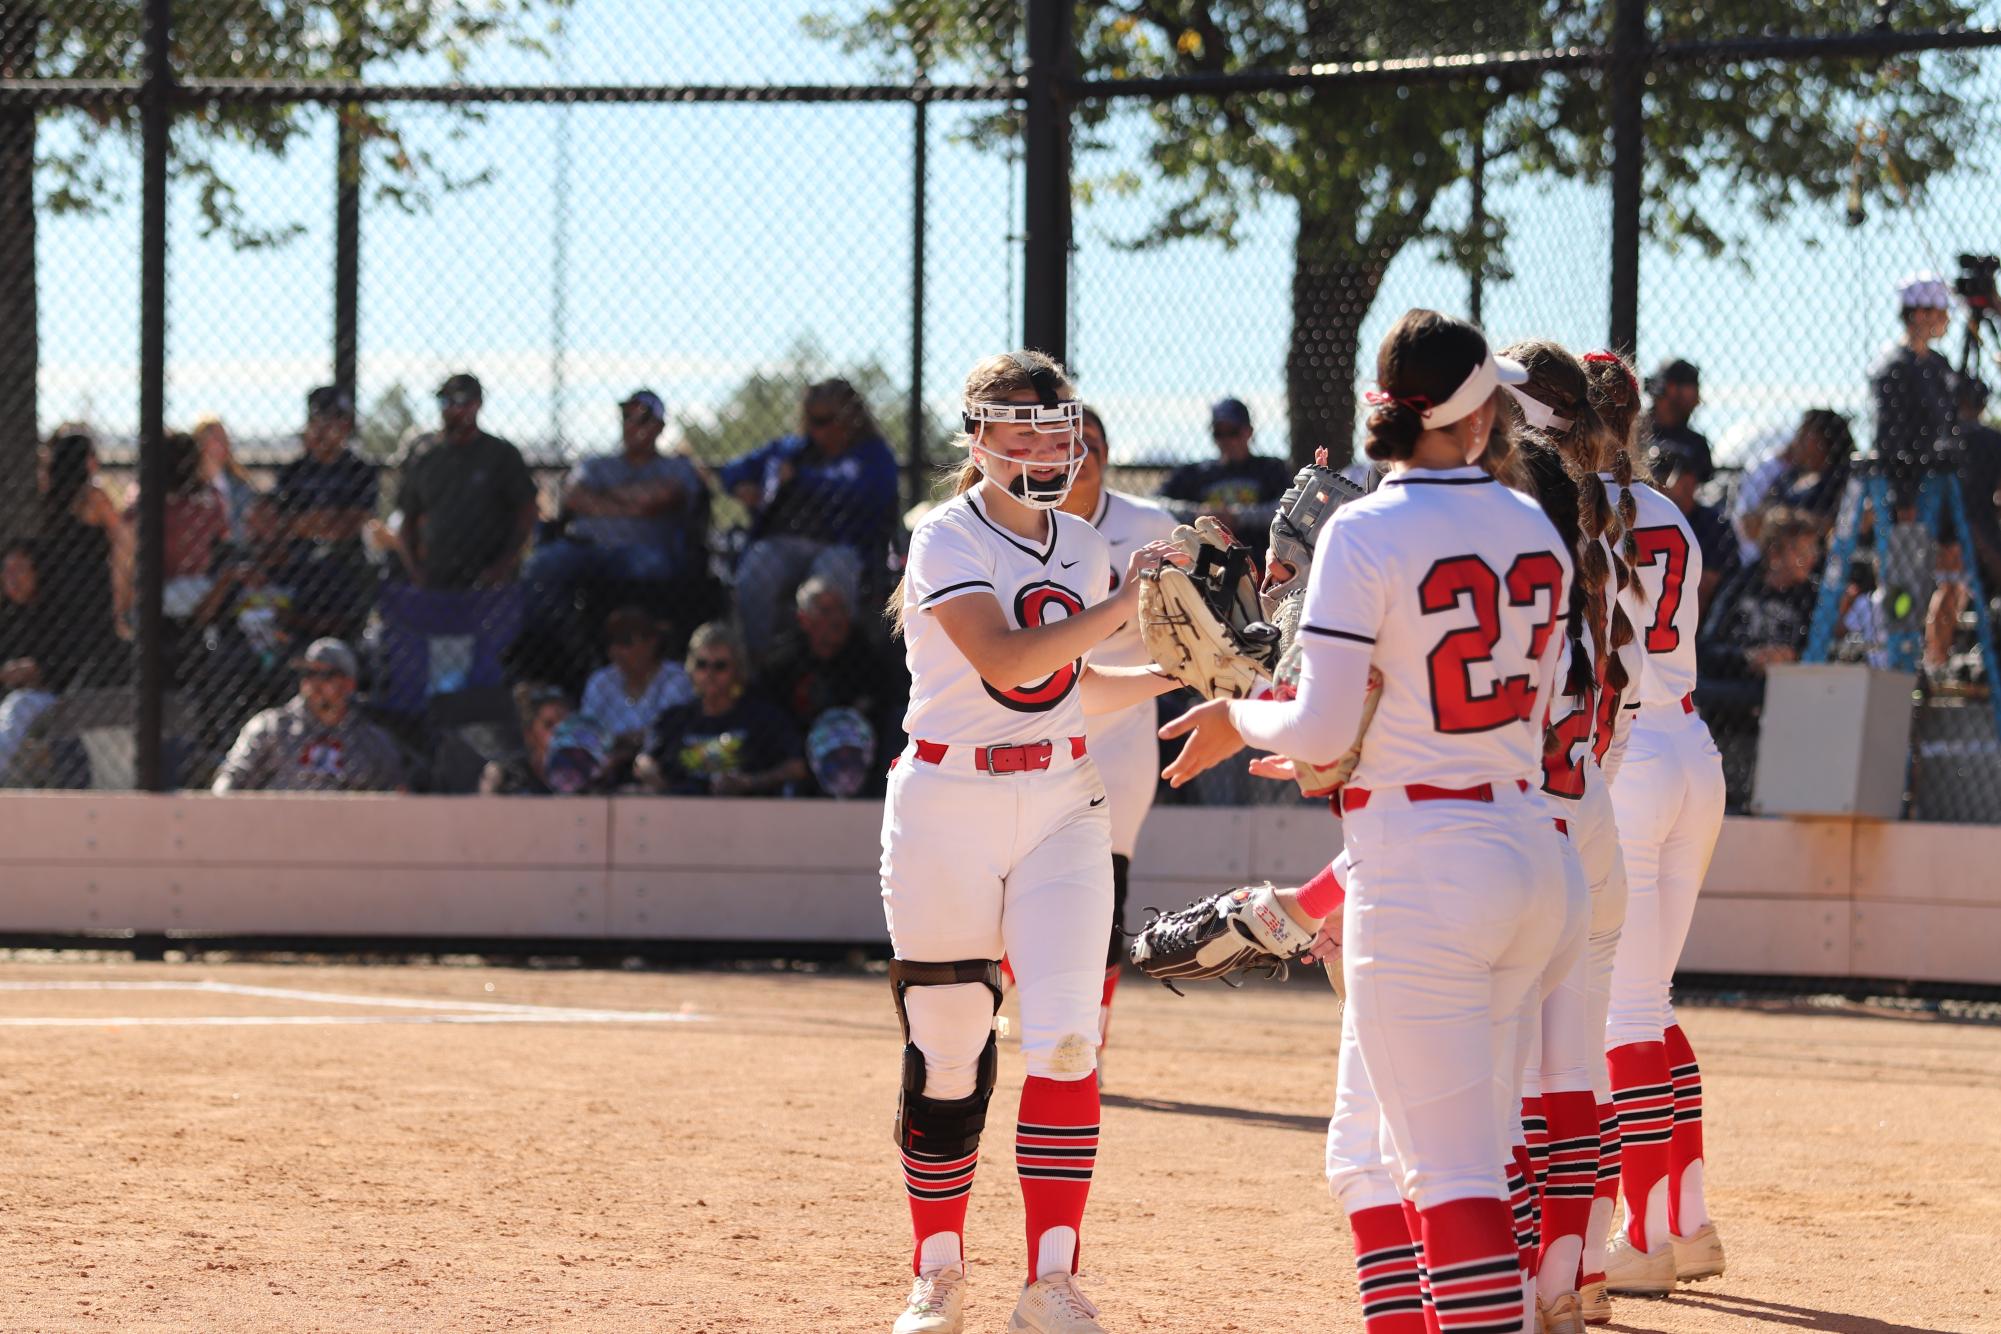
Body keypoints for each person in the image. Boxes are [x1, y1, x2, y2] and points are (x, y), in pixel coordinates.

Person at [1157, 311, 1572, 1334]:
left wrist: (1235, 712)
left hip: (1427, 866)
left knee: (1447, 1171)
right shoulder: (1536, 527)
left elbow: (1326, 722)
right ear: (1477, 418)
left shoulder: (1367, 528)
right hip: (1535, 851)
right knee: (1476, 1144)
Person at [881, 350, 1185, 1334]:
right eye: (1016, 424)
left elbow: (1070, 687)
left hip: (1061, 798)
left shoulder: (1085, 546)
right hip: (945, 803)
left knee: (1065, 1036)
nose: (1039, 443)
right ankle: (939, 1270)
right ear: (975, 434)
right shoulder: (942, 536)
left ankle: (1051, 1279)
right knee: (949, 1054)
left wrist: (1188, 670)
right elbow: (1009, 657)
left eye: (1053, 424)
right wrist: (1131, 606)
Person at [1498, 340, 1645, 1331]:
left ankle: (1519, 1277)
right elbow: (1617, 700)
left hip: (1527, 809)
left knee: (1507, 1068)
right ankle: (1579, 1267)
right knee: (1574, 1067)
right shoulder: (1595, 497)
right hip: (1587, 795)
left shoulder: (1523, 498)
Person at [1582, 350, 1730, 1299]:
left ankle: (1639, 1236)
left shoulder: (1574, 510)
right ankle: (1686, 1217)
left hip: (1628, 756)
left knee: (1620, 1011)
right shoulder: (1672, 509)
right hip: (1693, 751)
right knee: (1651, 998)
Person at [1056, 404, 1179, 1076]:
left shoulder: (1147, 526)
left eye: (1094, 442)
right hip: (1035, 728)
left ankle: (1086, 1042)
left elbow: (1186, 621)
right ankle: (1048, 1006)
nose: (1083, 454)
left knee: (1104, 888)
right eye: (1070, 444)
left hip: (1119, 731)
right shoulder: (1026, 527)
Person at [718, 379, 900, 661]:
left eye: (827, 420)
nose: (819, 429)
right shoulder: (793, 450)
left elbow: (857, 488)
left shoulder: (873, 455)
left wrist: (800, 479)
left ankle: (838, 665)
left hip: (845, 547)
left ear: (851, 419)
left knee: (833, 572)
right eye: (813, 420)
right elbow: (731, 470)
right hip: (785, 543)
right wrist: (742, 486)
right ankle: (760, 664)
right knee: (758, 563)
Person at [526, 388, 706, 623]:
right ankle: (565, 645)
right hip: (585, 547)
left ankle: (638, 647)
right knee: (540, 565)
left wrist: (600, 496)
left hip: (642, 550)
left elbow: (660, 498)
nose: (632, 424)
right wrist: (634, 504)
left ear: (659, 427)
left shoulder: (677, 467)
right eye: (626, 417)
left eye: (642, 418)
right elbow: (573, 497)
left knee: (649, 569)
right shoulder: (596, 464)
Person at [395, 372, 538, 590]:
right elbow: (407, 521)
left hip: (488, 579)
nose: (451, 409)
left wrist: (502, 566)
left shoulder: (501, 455)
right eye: (444, 401)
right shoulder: (425, 456)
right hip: (437, 576)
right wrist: (415, 570)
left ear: (477, 405)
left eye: (460, 402)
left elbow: (527, 513)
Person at [211, 638, 405, 793]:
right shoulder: (272, 726)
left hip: (345, 836)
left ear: (349, 684)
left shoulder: (371, 740)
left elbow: (398, 795)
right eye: (308, 673)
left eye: (325, 675)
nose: (313, 682)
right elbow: (231, 777)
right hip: (275, 832)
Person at [262, 386, 380, 641]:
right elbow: (280, 524)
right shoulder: (292, 471)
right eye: (318, 420)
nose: (324, 429)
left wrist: (307, 521)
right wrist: (329, 517)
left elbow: (352, 524)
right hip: (300, 574)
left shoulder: (361, 470)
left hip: (346, 575)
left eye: (334, 421)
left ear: (347, 426)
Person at [638, 621, 805, 798]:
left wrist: (749, 782)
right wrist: (654, 776)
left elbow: (797, 768)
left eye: (720, 666)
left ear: (737, 670)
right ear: (692, 668)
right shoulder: (674, 719)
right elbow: (644, 759)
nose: (709, 674)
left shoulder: (764, 719)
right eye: (702, 665)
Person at [761, 575, 901, 767]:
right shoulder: (783, 664)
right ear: (804, 619)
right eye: (825, 611)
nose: (837, 619)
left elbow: (880, 706)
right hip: (800, 753)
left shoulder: (866, 657)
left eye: (841, 610)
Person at [38, 430, 133, 680]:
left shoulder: (50, 497)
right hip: (92, 583)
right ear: (86, 461)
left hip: (60, 580)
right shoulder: (92, 495)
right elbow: (124, 539)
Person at [1730, 409, 1854, 563]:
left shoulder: (1843, 480)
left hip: (1818, 562)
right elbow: (1753, 522)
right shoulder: (1790, 476)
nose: (1797, 441)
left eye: (1805, 434)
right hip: (1773, 564)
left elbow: (1839, 524)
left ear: (1824, 440)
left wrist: (1785, 520)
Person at [1870, 274, 1958, 491]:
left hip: (1941, 468)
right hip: (1911, 477)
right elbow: (1890, 436)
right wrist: (1903, 493)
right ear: (1920, 314)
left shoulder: (1939, 363)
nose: (1947, 319)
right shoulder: (1895, 367)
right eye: (1942, 312)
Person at [1156, 396, 1293, 534]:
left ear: (1249, 431)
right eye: (1219, 433)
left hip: (1258, 552)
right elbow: (1155, 503)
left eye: (1233, 432)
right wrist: (1197, 513)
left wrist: (1238, 517)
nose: (1226, 440)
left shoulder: (1270, 469)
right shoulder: (1195, 473)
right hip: (1209, 553)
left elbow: (1290, 508)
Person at [0, 540, 72, 779]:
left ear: (37, 572)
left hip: (52, 696)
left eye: (20, 569)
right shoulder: (7, 613)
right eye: (7, 570)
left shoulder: (60, 609)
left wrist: (37, 670)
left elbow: (73, 662)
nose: (11, 578)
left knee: (18, 705)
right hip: (12, 695)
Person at [579, 606, 694, 753]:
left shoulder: (677, 679)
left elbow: (667, 734)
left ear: (652, 642)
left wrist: (615, 741)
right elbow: (585, 734)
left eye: (625, 642)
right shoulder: (600, 682)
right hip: (607, 765)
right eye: (612, 642)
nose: (616, 651)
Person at [1647, 438, 1736, 614]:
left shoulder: (1714, 525)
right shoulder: (1646, 517)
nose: (1657, 485)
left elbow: (1701, 592)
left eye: (1666, 478)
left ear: (1690, 482)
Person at [479, 683, 574, 796]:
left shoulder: (582, 769)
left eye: (566, 723)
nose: (560, 731)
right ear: (529, 733)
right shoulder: (506, 774)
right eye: (549, 724)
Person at [1642, 359, 1713, 485]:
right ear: (1672, 388)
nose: (1697, 401)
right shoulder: (1634, 434)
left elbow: (1703, 492)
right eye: (1694, 390)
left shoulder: (1697, 444)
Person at [192, 414, 260, 544]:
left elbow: (245, 522)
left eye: (225, 438)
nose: (223, 442)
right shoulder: (191, 483)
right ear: (200, 442)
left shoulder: (238, 482)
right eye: (215, 438)